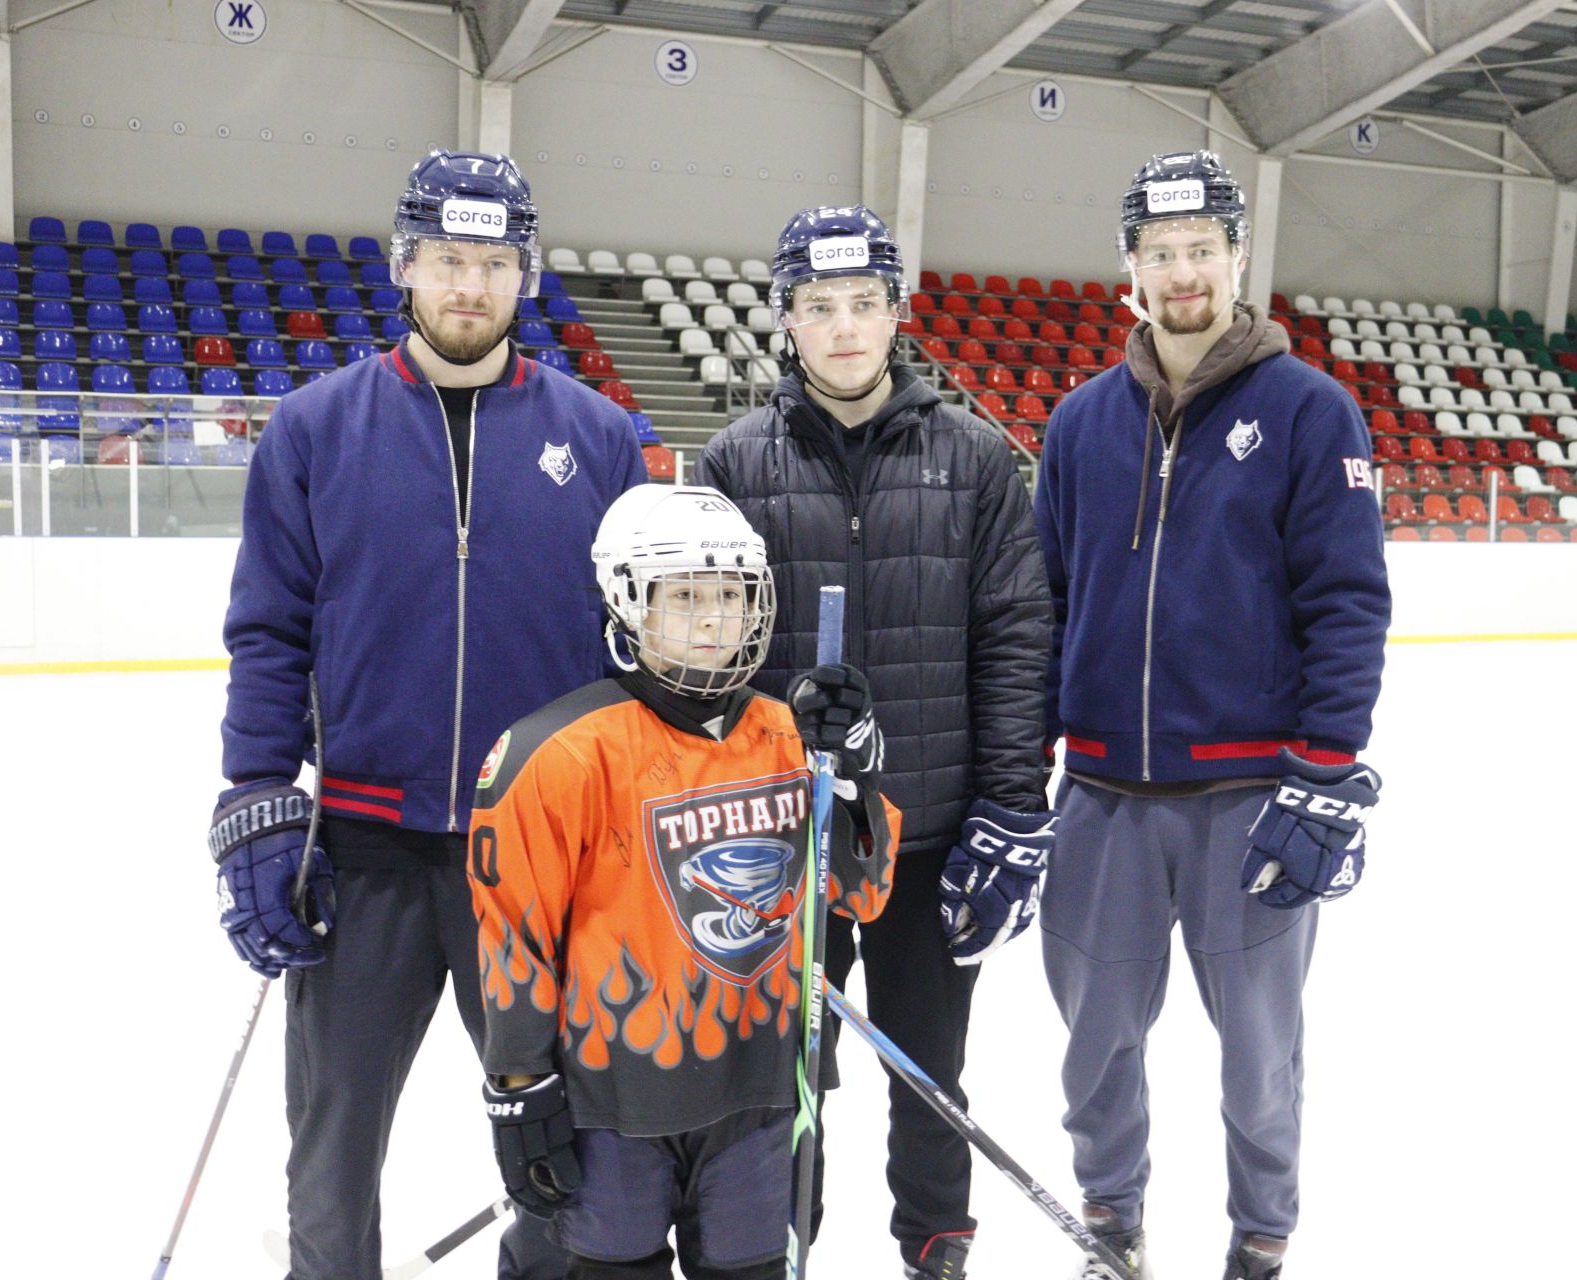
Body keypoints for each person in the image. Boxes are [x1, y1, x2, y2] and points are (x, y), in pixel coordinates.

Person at [210, 149, 648, 1280]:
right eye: (448, 259)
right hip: (364, 845)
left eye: (494, 262)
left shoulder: (599, 438)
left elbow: (627, 650)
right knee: (334, 1142)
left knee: (566, 1131)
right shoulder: (313, 430)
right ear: (406, 265)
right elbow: (270, 629)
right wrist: (256, 792)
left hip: (538, 849)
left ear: (526, 277)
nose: (469, 285)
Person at [1034, 150, 1391, 1280]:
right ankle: (1110, 1214)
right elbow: (1043, 600)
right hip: (1101, 797)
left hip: (1252, 799)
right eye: (1160, 252)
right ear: (1128, 268)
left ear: (1238, 256)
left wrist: (1328, 764)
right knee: (1096, 1046)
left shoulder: (1310, 411)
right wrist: (1018, 768)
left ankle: (1260, 1233)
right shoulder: (1081, 422)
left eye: (1202, 249)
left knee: (1259, 1051)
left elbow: (1348, 598)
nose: (1182, 271)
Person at [695, 206, 1053, 1280]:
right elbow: (704, 647)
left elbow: (1017, 632)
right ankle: (776, 1237)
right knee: (781, 1063)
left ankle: (935, 1243)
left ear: (896, 312)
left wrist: (1009, 805)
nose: (843, 328)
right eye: (818, 306)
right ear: (786, 321)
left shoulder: (977, 458)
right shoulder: (732, 462)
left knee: (928, 1064)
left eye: (862, 304)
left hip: (931, 829)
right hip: (784, 834)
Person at [468, 483, 900, 1280]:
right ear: (628, 603)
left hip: (764, 1091)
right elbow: (515, 935)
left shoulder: (794, 738)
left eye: (731, 595)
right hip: (613, 1099)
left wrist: (853, 779)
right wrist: (520, 1083)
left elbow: (860, 892)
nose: (711, 618)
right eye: (684, 596)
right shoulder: (554, 751)